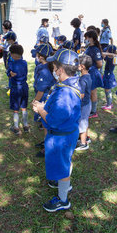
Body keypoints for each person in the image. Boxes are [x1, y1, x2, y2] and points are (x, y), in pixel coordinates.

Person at [32, 48, 81, 212]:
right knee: (64, 161)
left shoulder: (65, 94)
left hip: (61, 137)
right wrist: (46, 106)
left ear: (60, 69)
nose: (53, 69)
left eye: (54, 66)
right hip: (68, 133)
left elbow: (53, 120)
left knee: (63, 164)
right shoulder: (69, 83)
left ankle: (63, 199)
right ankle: (62, 182)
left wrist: (40, 109)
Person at [32, 44, 55, 154]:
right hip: (45, 98)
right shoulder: (46, 66)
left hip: (45, 100)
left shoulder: (45, 71)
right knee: (45, 123)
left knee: (46, 124)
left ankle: (48, 148)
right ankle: (46, 142)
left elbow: (41, 91)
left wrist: (34, 103)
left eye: (37, 54)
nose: (35, 56)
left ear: (41, 57)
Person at [7, 44, 29, 135]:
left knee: (16, 109)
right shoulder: (24, 62)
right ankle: (26, 125)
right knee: (24, 108)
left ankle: (16, 127)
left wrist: (9, 73)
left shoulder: (12, 64)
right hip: (24, 87)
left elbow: (10, 74)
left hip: (16, 88)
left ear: (13, 55)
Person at [83, 30, 103, 118]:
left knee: (92, 92)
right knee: (88, 92)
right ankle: (89, 109)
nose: (85, 39)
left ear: (91, 38)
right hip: (88, 73)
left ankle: (94, 111)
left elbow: (100, 64)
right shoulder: (89, 48)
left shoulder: (95, 49)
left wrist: (92, 68)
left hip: (92, 74)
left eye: (86, 38)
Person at [76, 54, 92, 151]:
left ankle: (83, 143)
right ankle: (85, 138)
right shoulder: (88, 76)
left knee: (82, 123)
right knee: (85, 121)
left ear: (82, 67)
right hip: (88, 103)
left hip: (83, 104)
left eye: (78, 64)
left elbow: (81, 95)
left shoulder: (82, 80)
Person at [101, 45, 117, 110]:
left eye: (107, 50)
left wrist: (111, 54)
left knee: (107, 90)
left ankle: (109, 104)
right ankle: (109, 103)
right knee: (107, 90)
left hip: (108, 75)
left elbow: (115, 58)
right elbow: (102, 54)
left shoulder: (113, 58)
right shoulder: (109, 57)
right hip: (107, 74)